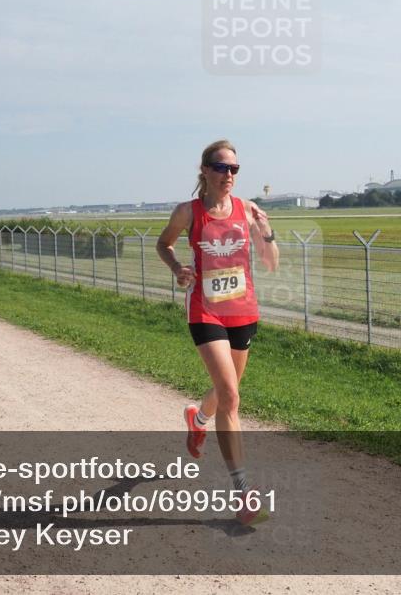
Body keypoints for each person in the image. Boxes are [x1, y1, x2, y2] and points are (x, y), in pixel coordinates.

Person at [156, 139, 278, 525]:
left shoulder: (248, 210)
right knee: (230, 395)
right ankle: (244, 492)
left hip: (243, 311)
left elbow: (271, 263)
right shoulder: (188, 212)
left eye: (234, 169)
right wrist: (177, 269)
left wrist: (266, 230)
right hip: (205, 310)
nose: (229, 175)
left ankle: (198, 419)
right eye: (222, 167)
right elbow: (164, 244)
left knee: (228, 391)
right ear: (205, 171)